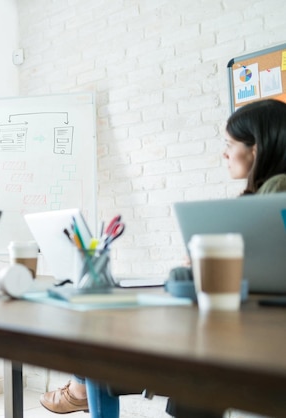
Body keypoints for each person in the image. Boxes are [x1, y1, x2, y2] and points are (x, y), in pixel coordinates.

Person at [40, 98, 286, 418]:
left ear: (257, 148)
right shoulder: (262, 194)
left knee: (112, 354)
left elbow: (262, 275)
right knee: (111, 355)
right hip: (237, 327)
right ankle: (85, 383)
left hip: (254, 334)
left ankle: (83, 386)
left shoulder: (277, 189)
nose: (224, 153)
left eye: (230, 144)